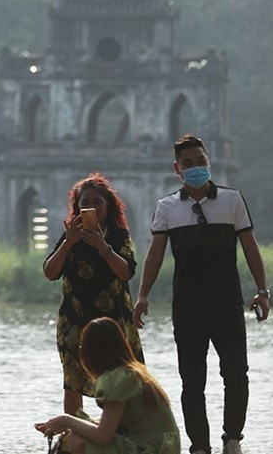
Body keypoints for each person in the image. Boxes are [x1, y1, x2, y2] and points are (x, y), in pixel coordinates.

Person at [132, 134, 268, 454]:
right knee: (192, 382)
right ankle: (200, 447)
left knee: (236, 374)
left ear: (209, 162)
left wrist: (262, 291)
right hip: (187, 307)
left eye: (201, 162)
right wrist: (142, 296)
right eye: (189, 164)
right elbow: (154, 256)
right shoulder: (167, 207)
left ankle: (232, 439)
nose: (196, 168)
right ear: (178, 170)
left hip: (227, 304)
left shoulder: (232, 200)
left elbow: (250, 247)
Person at [44, 173, 144, 416]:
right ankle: (72, 437)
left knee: (122, 377)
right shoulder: (71, 236)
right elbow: (50, 272)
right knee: (73, 380)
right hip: (75, 318)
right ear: (77, 207)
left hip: (113, 320)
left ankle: (121, 436)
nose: (90, 207)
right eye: (84, 203)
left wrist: (103, 248)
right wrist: (68, 243)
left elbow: (126, 272)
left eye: (97, 202)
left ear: (108, 206)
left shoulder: (118, 235)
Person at [35, 316, 180, 452]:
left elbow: (103, 436)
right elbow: (110, 425)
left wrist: (66, 420)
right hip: (158, 445)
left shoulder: (118, 379)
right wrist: (66, 425)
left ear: (90, 353)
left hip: (151, 448)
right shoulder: (131, 372)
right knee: (75, 434)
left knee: (75, 440)